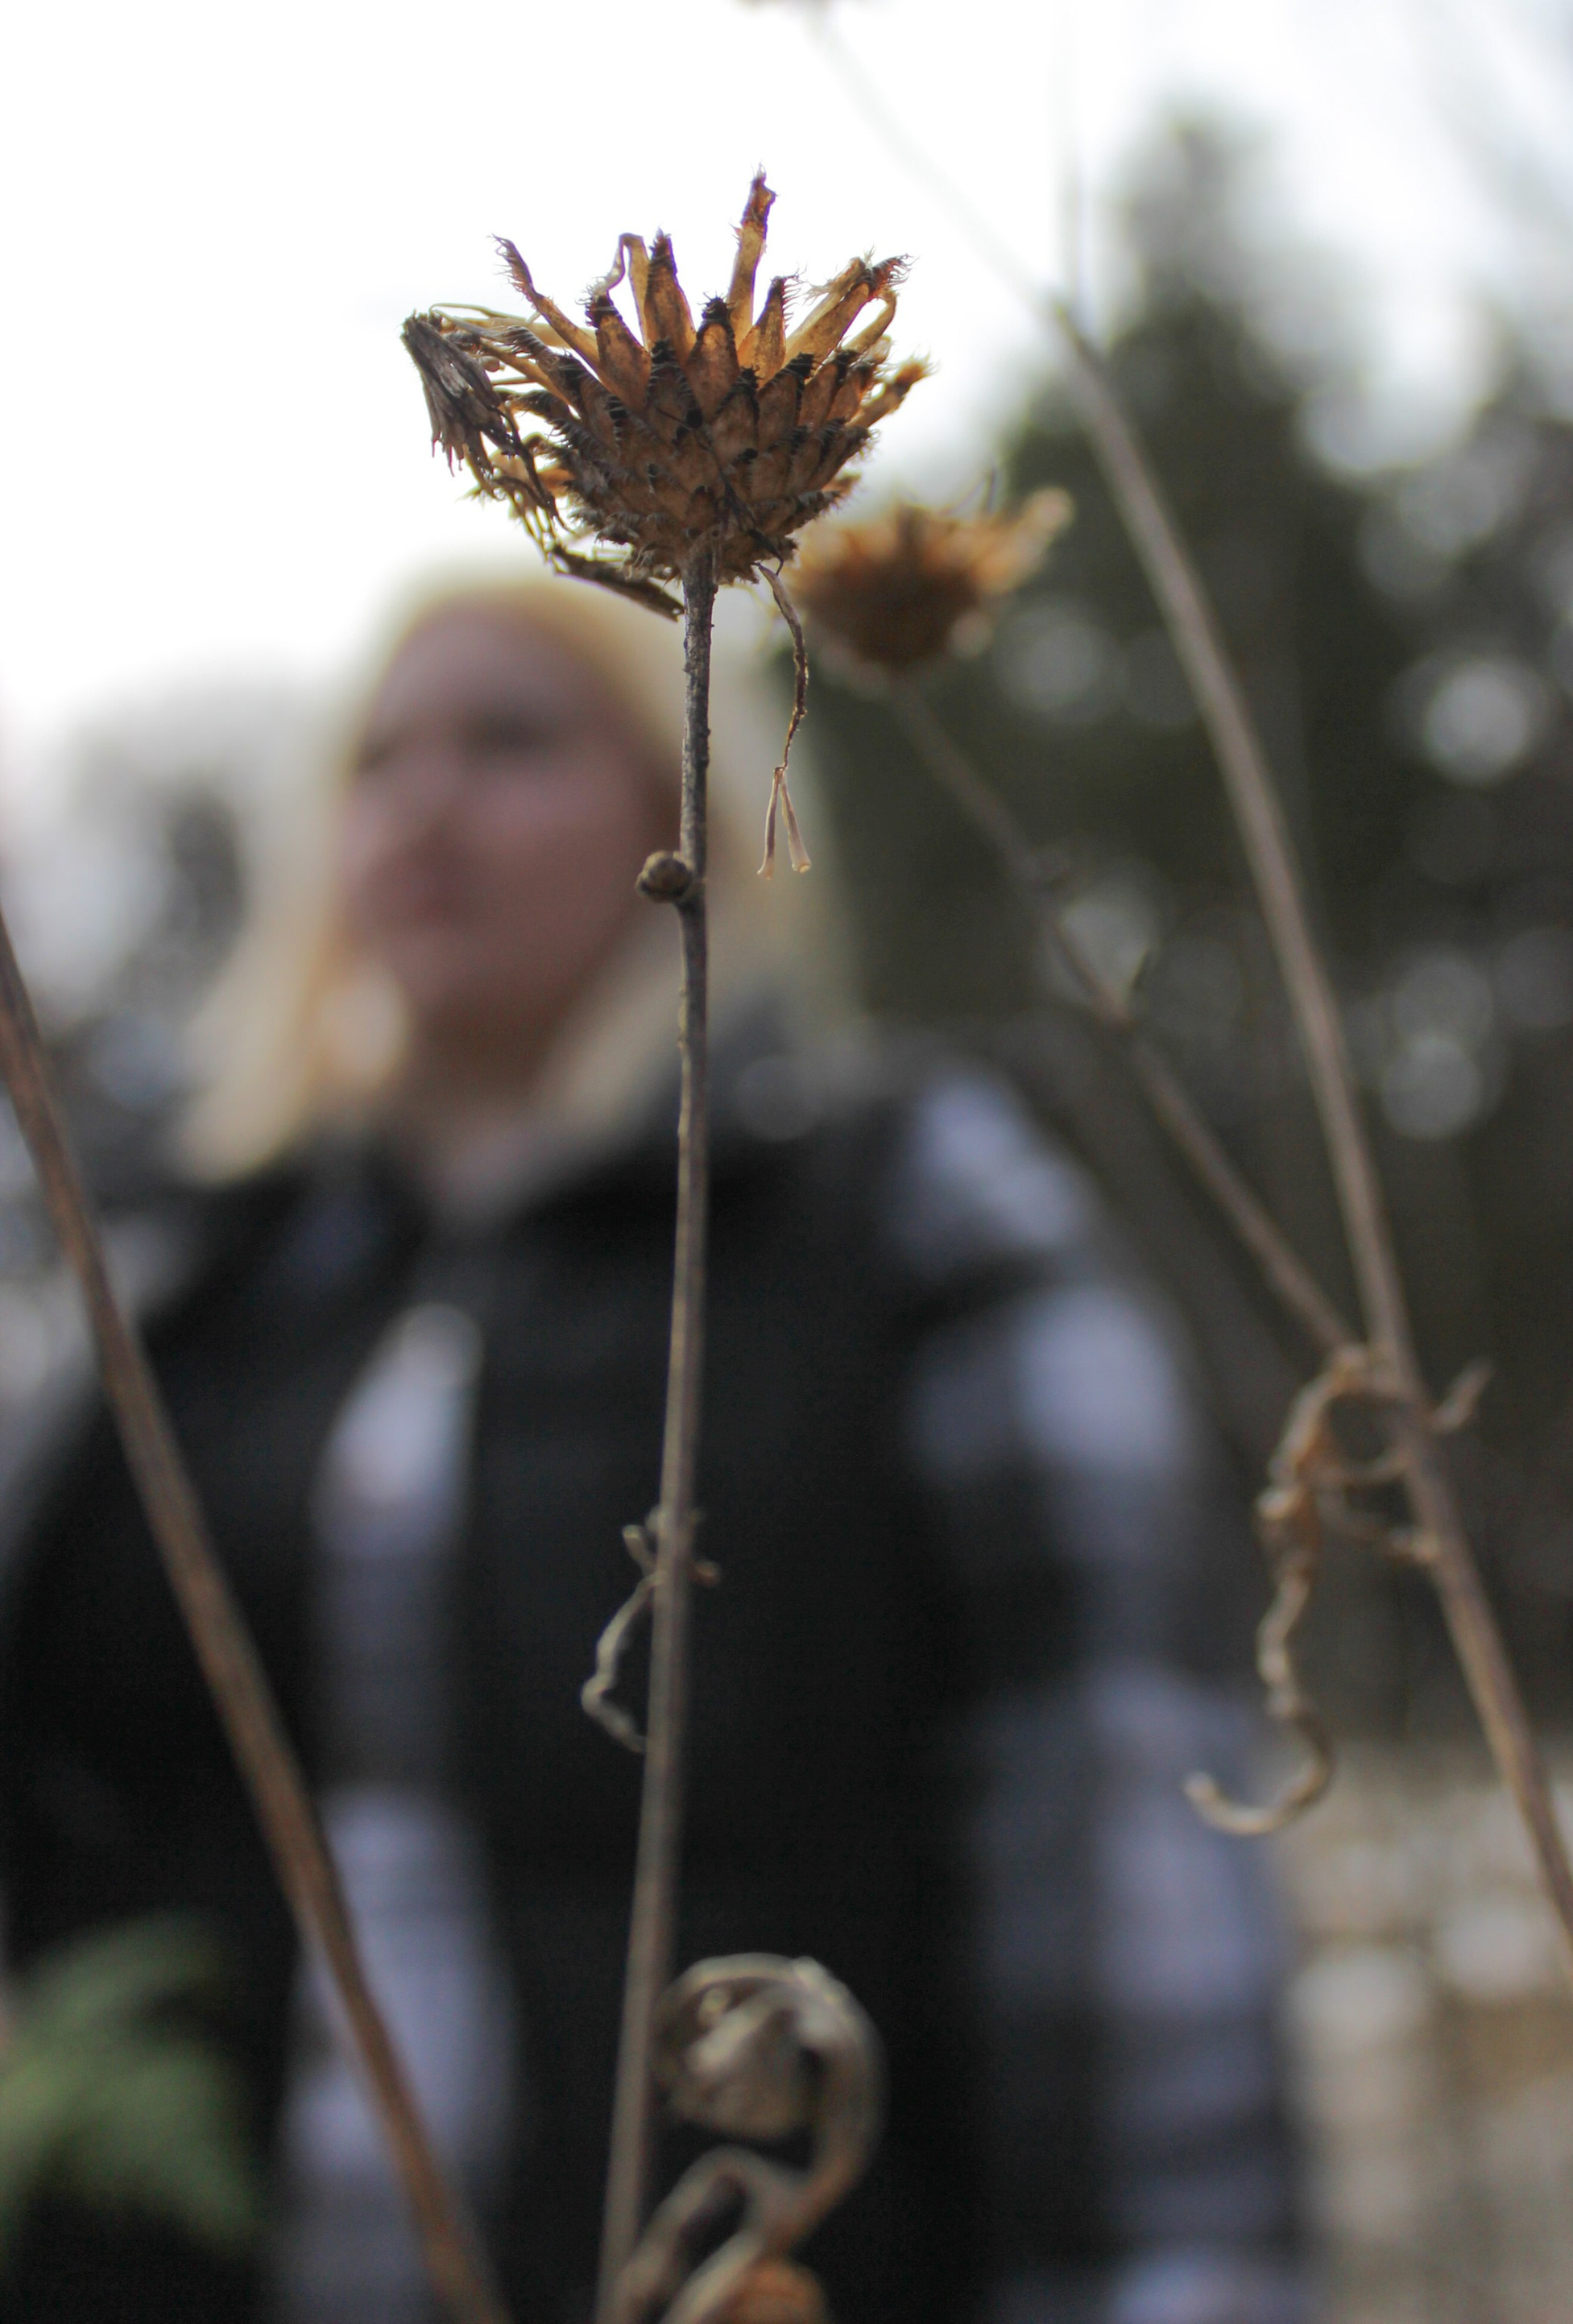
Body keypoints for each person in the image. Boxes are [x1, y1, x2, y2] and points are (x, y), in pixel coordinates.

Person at [0, 572, 1305, 2324]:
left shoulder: (894, 1212)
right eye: (378, 759)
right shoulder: (174, 1278)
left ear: (680, 809)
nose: (428, 805)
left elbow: (1117, 1839)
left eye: (513, 741)